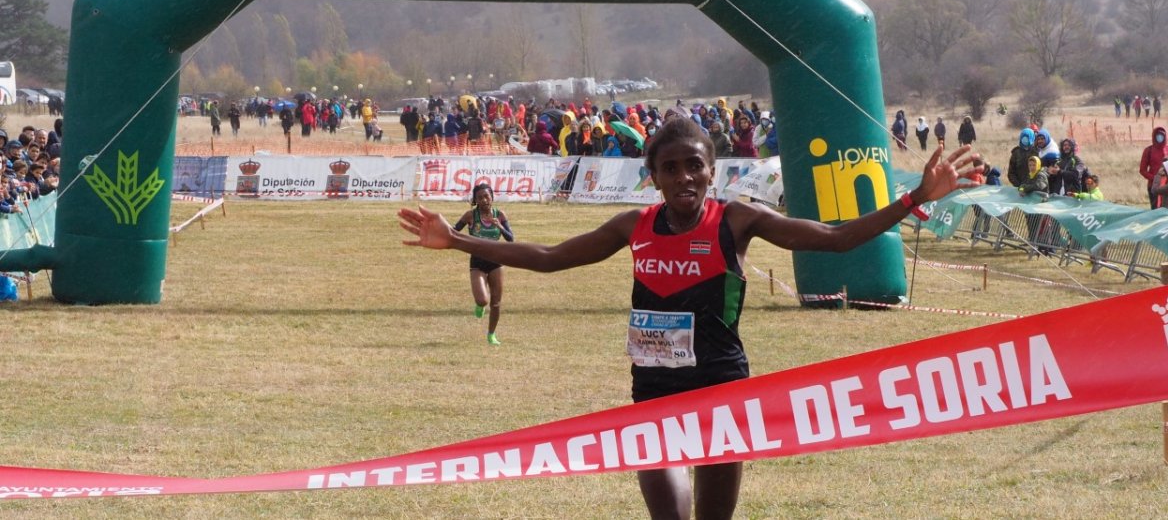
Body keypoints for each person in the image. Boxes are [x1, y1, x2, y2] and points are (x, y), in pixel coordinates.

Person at [398, 118, 980, 520]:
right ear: (652, 174)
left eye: (694, 166)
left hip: (724, 390)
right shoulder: (633, 227)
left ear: (712, 169)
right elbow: (550, 258)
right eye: (670, 168)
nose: (683, 179)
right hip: (652, 390)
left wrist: (914, 199)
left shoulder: (738, 222)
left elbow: (835, 237)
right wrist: (457, 241)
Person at [452, 183, 514, 345]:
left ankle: (491, 334)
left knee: (496, 302)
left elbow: (510, 239)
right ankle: (479, 306)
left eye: (487, 196)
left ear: (492, 197)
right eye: (480, 198)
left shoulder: (500, 214)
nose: (484, 200)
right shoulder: (470, 216)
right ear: (476, 200)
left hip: (496, 261)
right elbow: (453, 232)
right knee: (482, 300)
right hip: (478, 261)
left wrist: (499, 226)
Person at [1139, 126, 1168, 209]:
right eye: (1157, 136)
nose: (1160, 138)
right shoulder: (1148, 150)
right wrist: (1155, 178)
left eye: (1162, 135)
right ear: (1154, 136)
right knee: (1156, 210)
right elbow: (1142, 170)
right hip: (1154, 186)